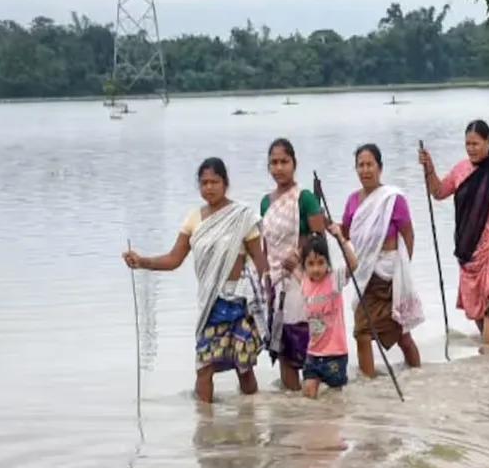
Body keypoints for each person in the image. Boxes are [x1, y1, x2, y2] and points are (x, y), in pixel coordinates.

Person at [122, 158, 268, 403]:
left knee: (243, 367)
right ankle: (204, 425)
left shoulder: (241, 216)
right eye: (204, 183)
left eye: (215, 182)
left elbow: (259, 261)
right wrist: (142, 262)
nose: (209, 188)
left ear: (225, 183)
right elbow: (174, 259)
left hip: (240, 302)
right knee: (204, 366)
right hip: (211, 304)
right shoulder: (193, 219)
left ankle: (250, 420)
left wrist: (265, 296)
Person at [417, 120, 489, 348]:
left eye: (476, 143)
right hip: (468, 250)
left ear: (488, 142)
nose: (471, 148)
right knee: (476, 311)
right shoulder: (461, 169)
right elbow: (438, 191)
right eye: (468, 144)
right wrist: (429, 168)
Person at [340, 144, 424, 377]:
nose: (365, 170)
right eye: (361, 165)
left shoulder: (393, 199)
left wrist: (403, 268)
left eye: (370, 165)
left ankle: (419, 375)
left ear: (380, 168)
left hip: (390, 276)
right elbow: (347, 233)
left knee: (402, 334)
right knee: (362, 333)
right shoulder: (352, 201)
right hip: (364, 276)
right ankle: (368, 383)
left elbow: (408, 233)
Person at [260, 138, 327, 391]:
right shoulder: (266, 202)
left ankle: (312, 407)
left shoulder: (305, 198)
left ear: (294, 164)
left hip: (302, 279)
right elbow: (266, 245)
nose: (279, 168)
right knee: (283, 343)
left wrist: (298, 254)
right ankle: (291, 401)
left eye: (284, 162)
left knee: (307, 339)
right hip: (277, 280)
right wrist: (266, 281)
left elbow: (319, 238)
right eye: (274, 163)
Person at [284, 229, 357, 399]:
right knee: (308, 395)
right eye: (310, 264)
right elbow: (288, 263)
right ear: (305, 265)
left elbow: (353, 264)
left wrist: (340, 238)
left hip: (335, 354)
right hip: (313, 353)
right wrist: (293, 253)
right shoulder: (304, 281)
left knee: (335, 400)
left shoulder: (334, 279)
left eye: (320, 263)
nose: (316, 269)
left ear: (328, 263)